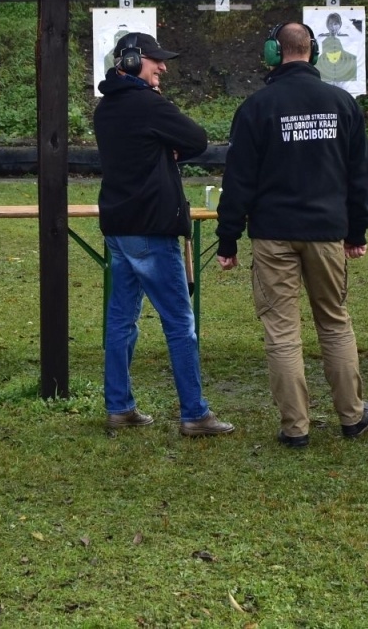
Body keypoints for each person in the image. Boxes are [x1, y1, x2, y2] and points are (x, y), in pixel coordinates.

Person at [216, 22, 368, 448]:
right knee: (335, 323)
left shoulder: (256, 107)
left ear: (273, 53)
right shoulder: (343, 104)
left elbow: (238, 181)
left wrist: (228, 237)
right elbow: (360, 177)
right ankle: (352, 416)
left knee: (282, 332)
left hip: (273, 235)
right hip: (327, 233)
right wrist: (356, 230)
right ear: (314, 52)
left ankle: (295, 427)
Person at [94, 32, 234, 438]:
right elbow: (197, 139)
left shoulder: (107, 108)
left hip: (118, 227)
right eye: (155, 60)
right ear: (133, 60)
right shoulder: (148, 105)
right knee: (179, 322)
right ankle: (194, 413)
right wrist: (170, 147)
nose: (163, 67)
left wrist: (162, 148)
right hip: (151, 230)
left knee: (121, 321)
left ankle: (119, 406)